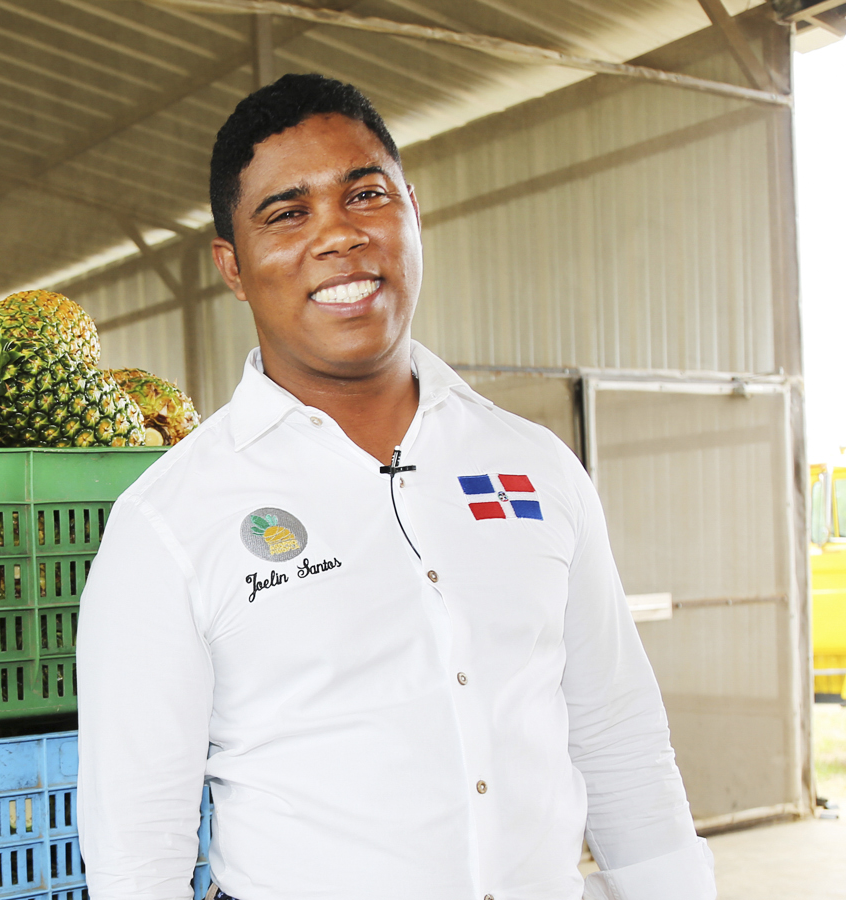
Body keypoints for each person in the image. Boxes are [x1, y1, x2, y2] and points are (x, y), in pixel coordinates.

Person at [75, 73, 713, 900]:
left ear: (414, 211)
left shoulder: (538, 467)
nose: (339, 236)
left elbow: (618, 735)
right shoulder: (170, 522)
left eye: (365, 195)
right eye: (288, 212)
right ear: (232, 268)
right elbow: (138, 850)